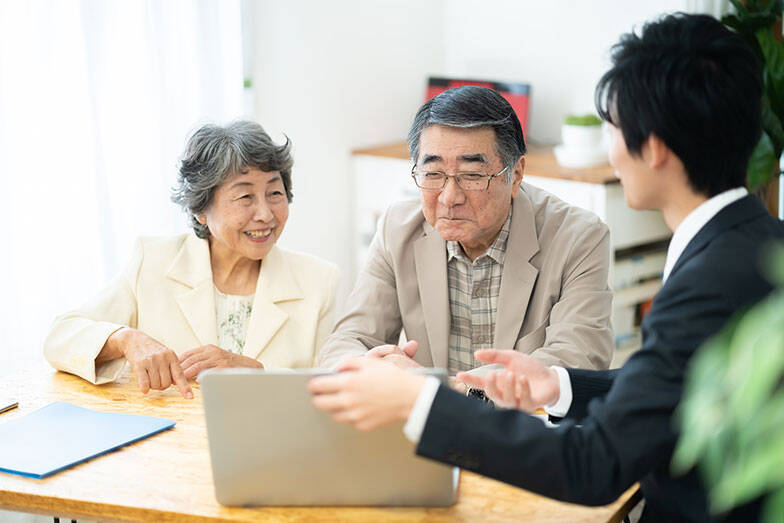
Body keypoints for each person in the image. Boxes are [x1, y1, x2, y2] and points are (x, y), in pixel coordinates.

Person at [308, 13, 784, 521]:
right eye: (432, 172)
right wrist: (560, 384)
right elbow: (675, 383)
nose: (610, 150)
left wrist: (422, 397)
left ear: (656, 148)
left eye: (615, 128)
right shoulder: (753, 246)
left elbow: (593, 465)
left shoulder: (702, 280)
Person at [317, 86, 613, 376]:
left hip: (525, 422)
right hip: (431, 419)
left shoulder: (578, 237)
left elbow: (576, 359)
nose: (449, 197)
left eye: (471, 175)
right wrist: (372, 365)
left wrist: (452, 392)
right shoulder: (398, 230)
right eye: (432, 174)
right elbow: (346, 343)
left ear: (516, 175)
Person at [44, 121, 339, 398]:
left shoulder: (319, 280)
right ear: (201, 208)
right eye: (245, 197)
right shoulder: (154, 261)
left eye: (275, 192)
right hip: (170, 443)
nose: (264, 213)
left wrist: (258, 373)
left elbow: (335, 386)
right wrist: (125, 339)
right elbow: (60, 337)